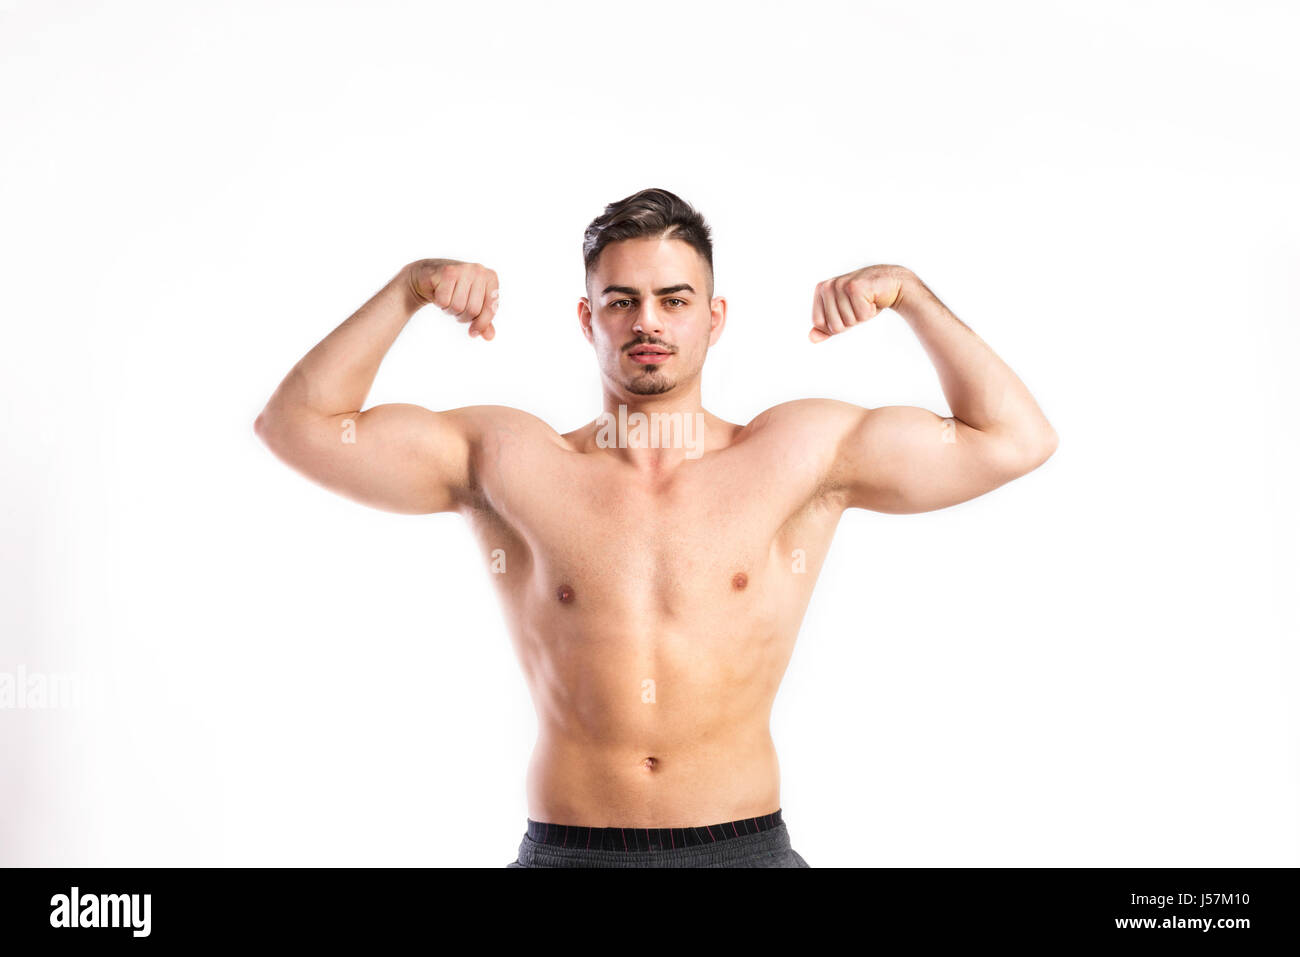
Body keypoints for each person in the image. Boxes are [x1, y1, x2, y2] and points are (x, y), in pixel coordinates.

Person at [253, 188, 1058, 867]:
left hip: (740, 849)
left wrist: (911, 295)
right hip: (571, 849)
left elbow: (1015, 439)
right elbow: (297, 425)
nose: (648, 321)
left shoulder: (797, 451)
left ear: (714, 318)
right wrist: (409, 289)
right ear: (586, 317)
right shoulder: (508, 457)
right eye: (621, 300)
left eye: (674, 300)